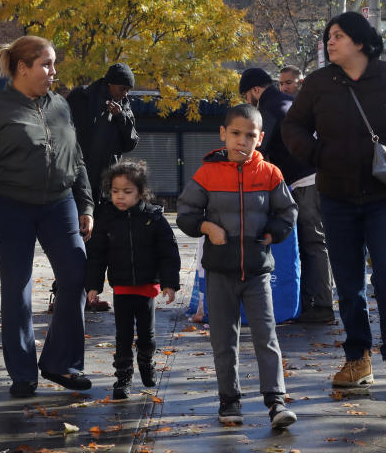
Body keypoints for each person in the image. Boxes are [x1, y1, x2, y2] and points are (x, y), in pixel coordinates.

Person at [282, 12, 386, 394]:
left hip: (385, 198)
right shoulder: (319, 83)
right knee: (349, 283)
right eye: (328, 36)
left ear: (361, 42)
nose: (329, 42)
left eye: (337, 36)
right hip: (335, 198)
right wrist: (318, 154)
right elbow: (292, 127)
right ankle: (357, 359)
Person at [0, 35, 95, 399]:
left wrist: (86, 205)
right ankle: (23, 373)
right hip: (10, 206)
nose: (54, 72)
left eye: (53, 64)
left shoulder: (61, 106)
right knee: (17, 288)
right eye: (46, 64)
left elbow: (76, 157)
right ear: (23, 68)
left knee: (76, 275)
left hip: (59, 203)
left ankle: (60, 364)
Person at [177, 104, 299, 429]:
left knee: (266, 336)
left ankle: (275, 403)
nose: (242, 141)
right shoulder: (207, 173)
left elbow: (287, 212)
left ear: (260, 139)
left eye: (250, 135)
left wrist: (274, 232)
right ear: (223, 134)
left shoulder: (271, 174)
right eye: (235, 134)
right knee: (223, 340)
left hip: (257, 273)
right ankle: (229, 403)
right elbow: (186, 214)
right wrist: (208, 228)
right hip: (219, 273)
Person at [240, 68, 334, 324]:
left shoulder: (267, 108)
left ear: (255, 90)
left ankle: (321, 306)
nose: (247, 101)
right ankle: (313, 302)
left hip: (306, 181)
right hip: (320, 176)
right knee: (314, 242)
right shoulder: (289, 101)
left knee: (312, 242)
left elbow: (259, 147)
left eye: (246, 96)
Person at [85, 160, 181, 400]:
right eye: (115, 191)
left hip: (147, 286)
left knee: (147, 334)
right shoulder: (106, 217)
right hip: (122, 286)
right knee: (123, 335)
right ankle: (123, 377)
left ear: (140, 192)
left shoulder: (153, 217)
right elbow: (96, 254)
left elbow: (168, 252)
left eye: (127, 192)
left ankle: (147, 362)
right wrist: (93, 285)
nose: (120, 197)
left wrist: (169, 283)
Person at [64, 62, 140, 313]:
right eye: (121, 88)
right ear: (109, 83)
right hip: (80, 177)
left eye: (128, 90)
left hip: (107, 182)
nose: (124, 94)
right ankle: (63, 295)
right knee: (75, 240)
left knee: (99, 242)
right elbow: (69, 133)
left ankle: (91, 296)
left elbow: (130, 143)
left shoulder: (124, 106)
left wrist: (121, 117)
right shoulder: (83, 97)